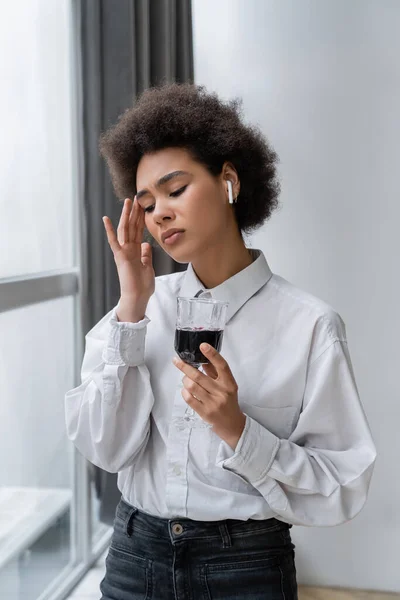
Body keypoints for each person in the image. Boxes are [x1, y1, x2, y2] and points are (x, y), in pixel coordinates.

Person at [64, 83, 377, 599]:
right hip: (133, 557)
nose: (159, 212)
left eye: (175, 189)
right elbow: (106, 449)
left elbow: (342, 484)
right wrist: (132, 313)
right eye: (146, 202)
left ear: (228, 181)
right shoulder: (139, 310)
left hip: (246, 567)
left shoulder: (310, 325)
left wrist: (239, 431)